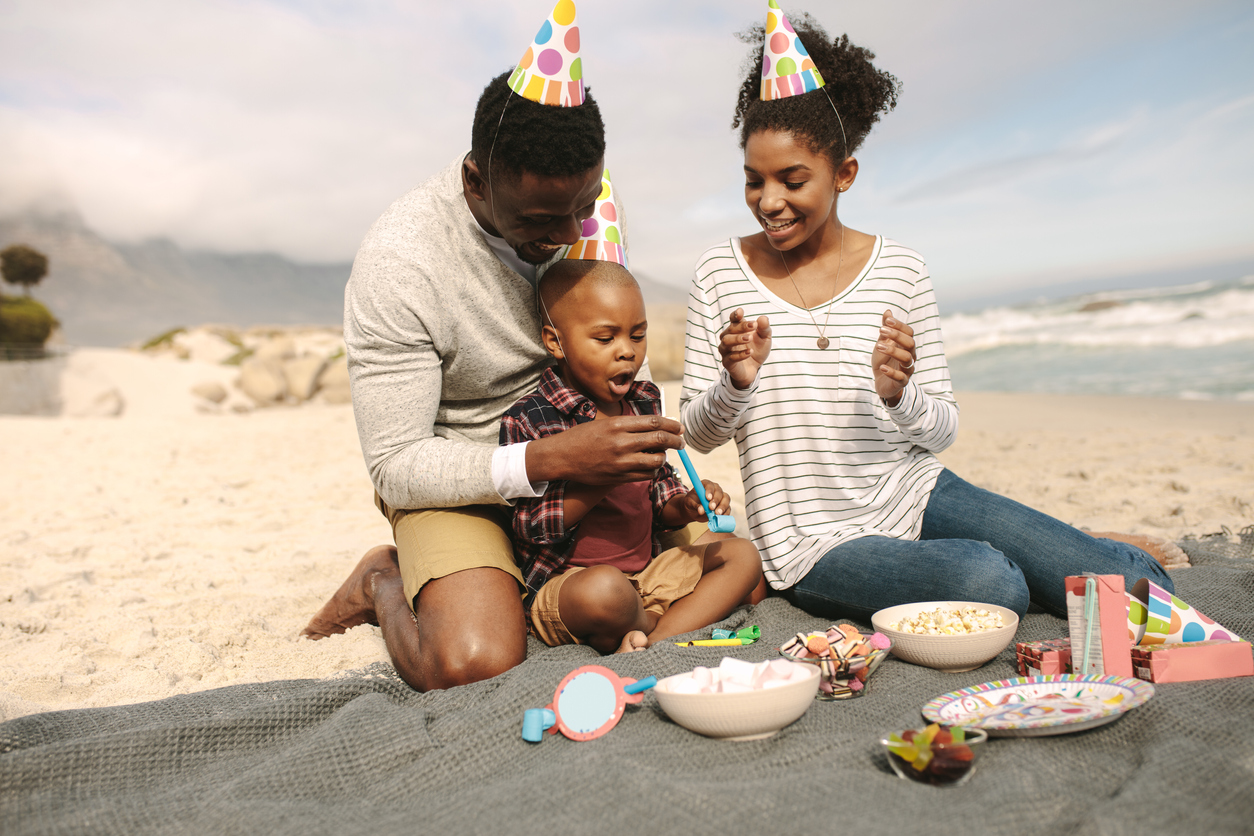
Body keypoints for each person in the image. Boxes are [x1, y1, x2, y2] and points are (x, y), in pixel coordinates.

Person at [677, 8, 1175, 623]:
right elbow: (698, 436)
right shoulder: (718, 272)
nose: (769, 201)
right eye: (754, 181)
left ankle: (1097, 551)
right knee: (991, 581)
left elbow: (941, 430)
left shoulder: (901, 269)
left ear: (844, 174)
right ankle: (1054, 553)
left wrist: (896, 395)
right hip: (811, 543)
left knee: (1133, 586)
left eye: (792, 179)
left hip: (915, 490)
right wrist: (737, 382)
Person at [302, 14, 689, 692]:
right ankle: (383, 579)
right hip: (466, 479)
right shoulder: (402, 262)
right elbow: (397, 464)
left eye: (585, 204)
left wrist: (646, 468)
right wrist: (546, 459)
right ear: (476, 182)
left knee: (731, 565)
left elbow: (622, 350)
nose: (573, 233)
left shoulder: (578, 201)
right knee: (474, 663)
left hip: (587, 481)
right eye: (543, 221)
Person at [501, 245, 763, 655]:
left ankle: (651, 638)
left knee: (743, 556)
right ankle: (664, 625)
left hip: (647, 574)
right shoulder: (531, 418)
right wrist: (605, 474)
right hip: (572, 584)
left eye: (637, 334)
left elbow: (659, 493)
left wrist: (688, 504)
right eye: (605, 338)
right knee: (605, 592)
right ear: (555, 341)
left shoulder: (643, 401)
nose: (627, 350)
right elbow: (532, 528)